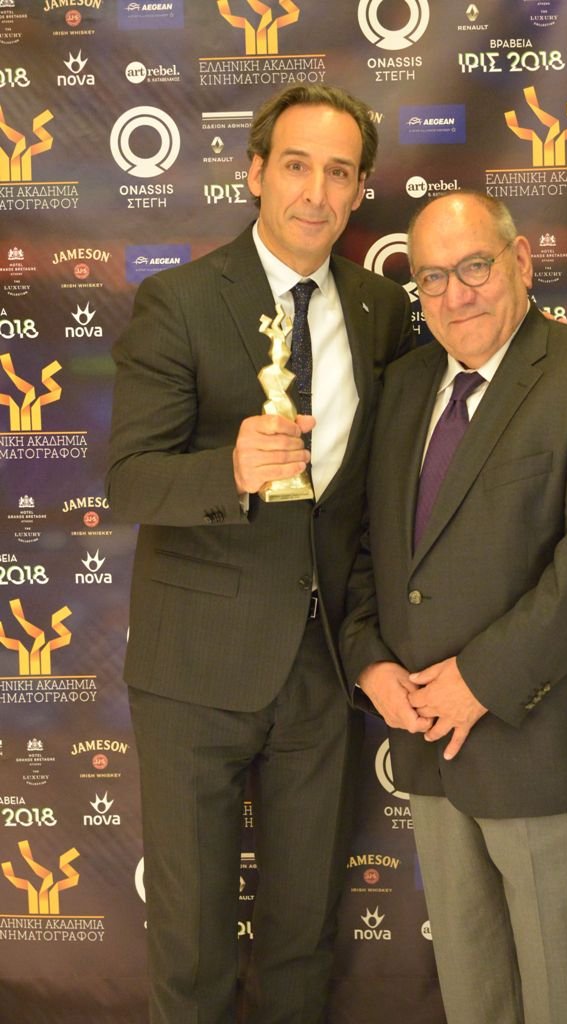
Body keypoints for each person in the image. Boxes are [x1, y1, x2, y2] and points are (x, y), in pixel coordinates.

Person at [106, 84, 412, 1024]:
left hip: (323, 670)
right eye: (296, 165)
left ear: (359, 189)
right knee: (194, 948)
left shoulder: (381, 309)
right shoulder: (182, 301)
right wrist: (229, 470)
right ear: (254, 173)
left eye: (339, 172)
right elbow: (130, 483)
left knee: (301, 940)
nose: (316, 192)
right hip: (194, 672)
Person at [340, 191, 567, 1024]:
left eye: (475, 267)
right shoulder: (402, 388)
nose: (456, 295)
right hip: (434, 754)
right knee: (474, 1004)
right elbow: (367, 546)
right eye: (433, 278)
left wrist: (479, 681)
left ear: (520, 262)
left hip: (555, 749)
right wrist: (370, 660)